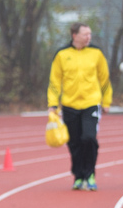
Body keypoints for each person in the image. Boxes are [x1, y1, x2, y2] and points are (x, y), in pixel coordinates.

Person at [47, 22, 112, 191]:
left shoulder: (96, 53)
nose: (88, 37)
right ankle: (78, 175)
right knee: (74, 143)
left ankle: (89, 174)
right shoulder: (62, 54)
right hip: (69, 105)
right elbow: (55, 82)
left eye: (90, 34)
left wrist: (106, 101)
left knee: (89, 138)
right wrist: (52, 104)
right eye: (85, 34)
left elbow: (104, 79)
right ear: (74, 36)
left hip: (91, 103)